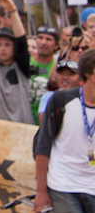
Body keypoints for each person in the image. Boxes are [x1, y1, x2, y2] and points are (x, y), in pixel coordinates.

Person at [33, 49, 95, 212]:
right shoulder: (61, 99)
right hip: (63, 184)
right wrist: (41, 191)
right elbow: (43, 144)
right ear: (89, 73)